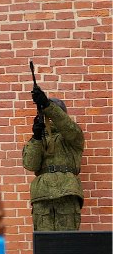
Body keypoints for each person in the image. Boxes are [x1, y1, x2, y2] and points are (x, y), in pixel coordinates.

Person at [23, 83, 84, 231]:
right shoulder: (39, 139)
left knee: (67, 245)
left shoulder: (72, 135)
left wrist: (47, 105)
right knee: (45, 247)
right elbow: (30, 164)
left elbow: (66, 125)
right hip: (42, 196)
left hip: (67, 192)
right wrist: (36, 137)